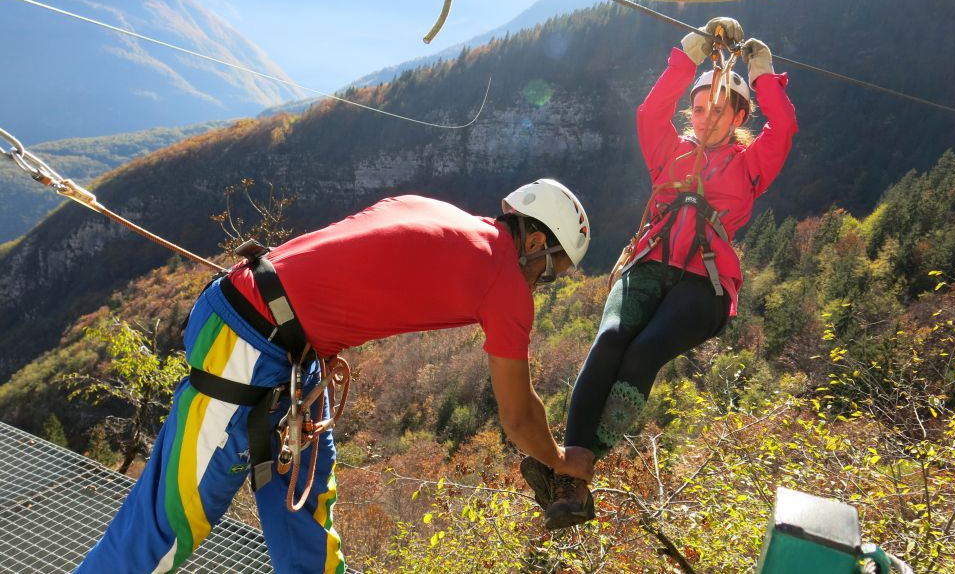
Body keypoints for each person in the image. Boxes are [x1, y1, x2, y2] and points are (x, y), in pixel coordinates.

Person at [76, 179, 594, 573]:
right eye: (551, 269)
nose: (543, 283)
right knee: (170, 522)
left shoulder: (436, 210)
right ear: (532, 244)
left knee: (304, 505)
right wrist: (560, 459)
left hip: (276, 340)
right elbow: (520, 417)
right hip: (250, 344)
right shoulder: (506, 282)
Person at [521, 17, 798, 529]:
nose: (706, 116)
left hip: (705, 282)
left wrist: (763, 77)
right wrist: (688, 53)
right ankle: (572, 474)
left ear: (739, 114)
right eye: (697, 108)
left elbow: (784, 130)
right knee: (610, 340)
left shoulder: (749, 165)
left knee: (646, 351)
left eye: (718, 109)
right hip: (647, 263)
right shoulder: (670, 151)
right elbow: (650, 111)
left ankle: (582, 464)